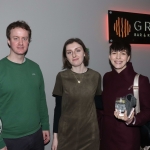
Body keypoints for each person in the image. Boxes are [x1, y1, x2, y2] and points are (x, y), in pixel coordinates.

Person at [0, 20, 50, 150]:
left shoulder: (35, 68)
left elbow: (41, 100)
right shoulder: (1, 68)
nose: (21, 43)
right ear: (8, 41)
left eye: (24, 38)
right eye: (16, 38)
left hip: (36, 135)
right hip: (10, 139)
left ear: (29, 41)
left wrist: (45, 126)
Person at [51, 38, 102, 150]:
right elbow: (58, 108)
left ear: (84, 53)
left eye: (77, 50)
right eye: (69, 52)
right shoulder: (62, 77)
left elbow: (100, 104)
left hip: (90, 135)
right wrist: (55, 136)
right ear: (66, 57)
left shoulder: (96, 76)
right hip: (66, 134)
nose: (74, 54)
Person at [99, 41, 150, 150]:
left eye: (122, 53)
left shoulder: (140, 80)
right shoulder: (107, 77)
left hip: (127, 138)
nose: (118, 57)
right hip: (106, 136)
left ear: (128, 57)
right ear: (109, 56)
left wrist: (131, 120)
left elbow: (148, 110)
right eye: (114, 53)